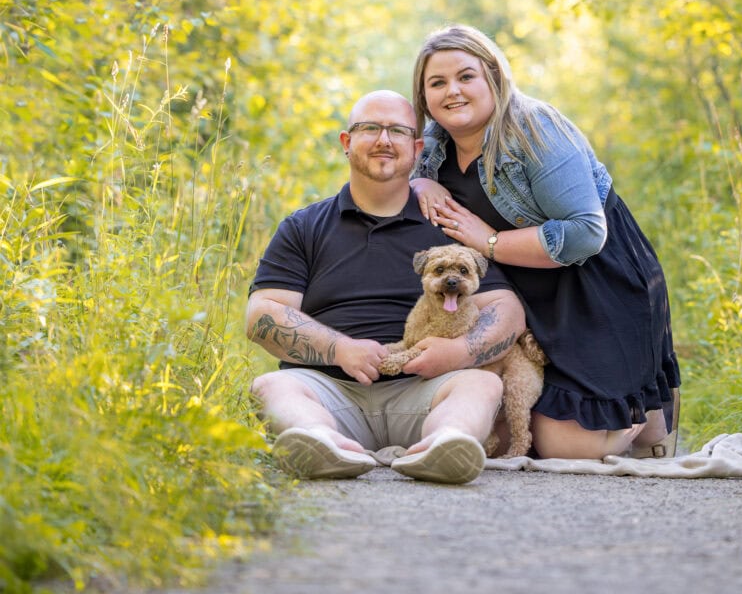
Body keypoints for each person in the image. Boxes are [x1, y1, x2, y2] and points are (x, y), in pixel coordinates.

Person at [410, 24, 681, 460]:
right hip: (525, 301)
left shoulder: (535, 129)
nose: (452, 92)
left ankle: (644, 413)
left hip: (595, 288)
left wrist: (490, 241)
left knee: (566, 447)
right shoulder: (435, 146)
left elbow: (586, 233)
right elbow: (393, 176)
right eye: (437, 83)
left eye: (466, 76)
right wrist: (420, 185)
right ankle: (629, 417)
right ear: (423, 98)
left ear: (494, 78)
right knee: (509, 426)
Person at [247, 90, 526, 485]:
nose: (383, 140)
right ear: (347, 142)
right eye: (370, 128)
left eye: (397, 130)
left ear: (415, 148)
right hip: (330, 390)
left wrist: (457, 352)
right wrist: (339, 349)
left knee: (481, 382)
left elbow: (507, 309)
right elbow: (262, 314)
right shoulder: (303, 227)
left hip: (425, 390)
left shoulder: (446, 225)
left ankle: (445, 445)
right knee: (272, 385)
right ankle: (319, 443)